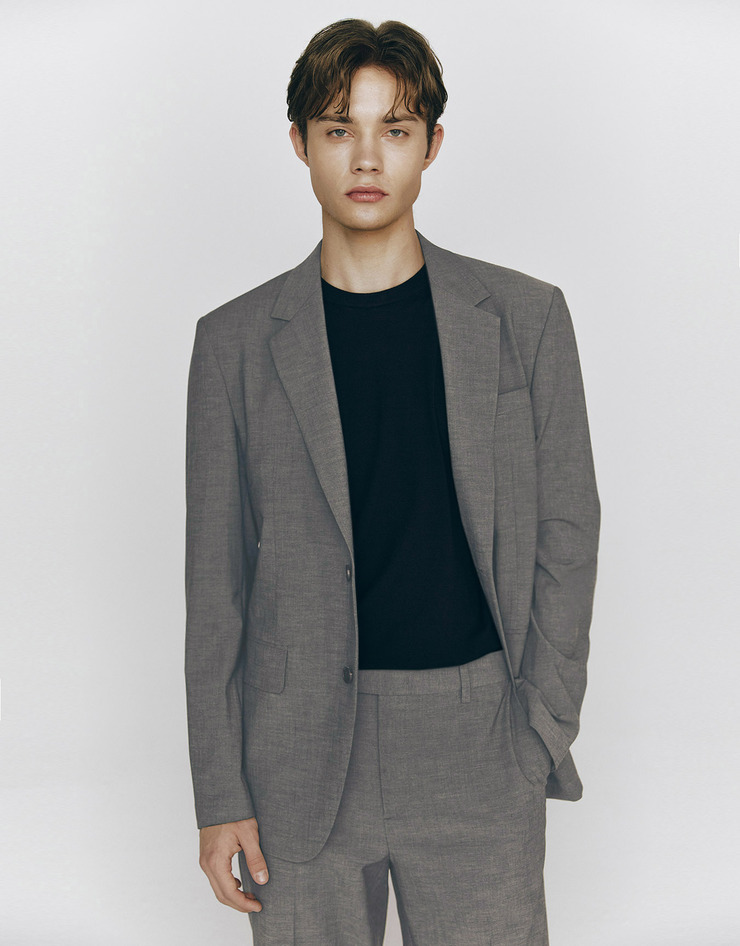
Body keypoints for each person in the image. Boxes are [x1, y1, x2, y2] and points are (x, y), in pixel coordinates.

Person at [185, 17, 600, 945]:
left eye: (395, 129)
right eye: (339, 128)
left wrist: (540, 725)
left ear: (431, 146)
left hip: (478, 740)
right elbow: (215, 589)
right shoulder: (234, 344)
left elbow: (569, 533)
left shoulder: (526, 318)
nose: (366, 158)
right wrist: (221, 792)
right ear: (300, 144)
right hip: (296, 755)